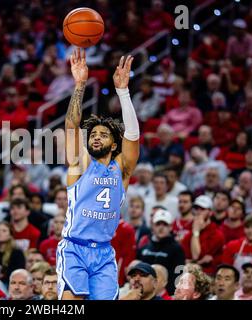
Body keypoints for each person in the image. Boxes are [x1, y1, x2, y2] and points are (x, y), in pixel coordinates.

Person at [58, 50, 140, 300]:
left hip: (104, 253)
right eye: (93, 134)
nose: (96, 137)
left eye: (103, 134)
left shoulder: (122, 169)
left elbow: (133, 136)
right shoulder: (80, 165)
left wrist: (123, 92)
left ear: (114, 144)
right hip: (75, 248)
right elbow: (71, 126)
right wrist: (80, 84)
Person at [137, 208, 185, 294]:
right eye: (158, 224)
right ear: (153, 225)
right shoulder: (144, 247)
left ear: (170, 227)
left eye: (165, 224)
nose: (161, 227)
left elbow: (179, 274)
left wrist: (174, 294)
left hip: (166, 293)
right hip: (143, 292)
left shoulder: (177, 249)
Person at [181, 195, 225, 275]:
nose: (198, 212)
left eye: (202, 209)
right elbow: (185, 259)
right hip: (189, 275)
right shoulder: (188, 233)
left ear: (210, 212)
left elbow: (195, 256)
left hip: (208, 277)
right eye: (196, 208)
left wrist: (196, 232)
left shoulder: (217, 234)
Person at [0, 221, 26, 285]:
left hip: (9, 284)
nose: (0, 233)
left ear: (10, 234)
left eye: (4, 231)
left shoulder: (17, 253)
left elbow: (17, 275)